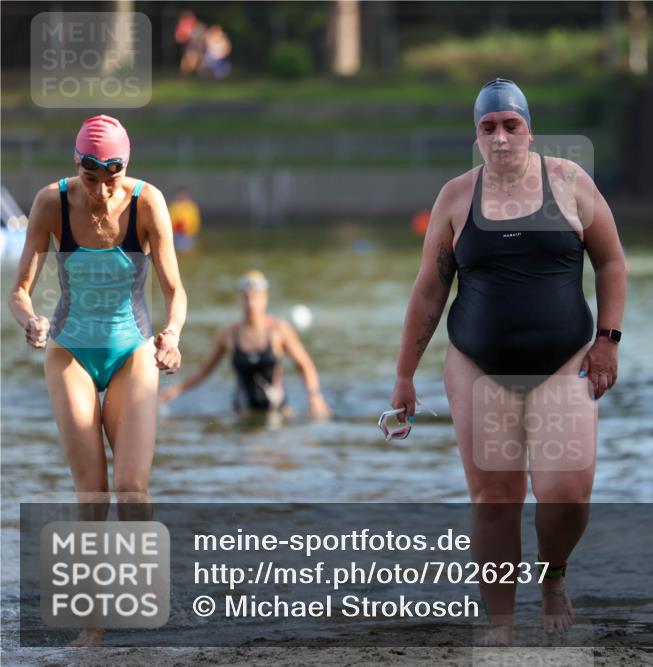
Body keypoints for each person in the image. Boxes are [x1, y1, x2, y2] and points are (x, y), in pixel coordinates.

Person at [389, 78, 627, 643]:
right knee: (496, 499)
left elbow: (612, 262)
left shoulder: (569, 183)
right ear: (477, 135)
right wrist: (404, 375)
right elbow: (429, 291)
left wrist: (609, 340)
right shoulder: (455, 198)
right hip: (476, 361)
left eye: (510, 125)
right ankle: (500, 623)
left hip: (564, 358)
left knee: (566, 494)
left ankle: (553, 576)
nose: (500, 137)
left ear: (529, 129)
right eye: (488, 128)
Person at [7, 115, 186, 646]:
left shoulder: (149, 203)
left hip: (133, 348)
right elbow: (19, 290)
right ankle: (92, 625)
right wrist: (30, 320)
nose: (104, 191)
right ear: (76, 165)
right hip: (69, 350)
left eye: (113, 178)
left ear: (126, 167)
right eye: (92, 179)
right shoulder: (50, 203)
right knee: (93, 494)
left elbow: (175, 289)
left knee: (132, 488)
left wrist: (172, 335)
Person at [160, 270, 332, 419]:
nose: (251, 303)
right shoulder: (228, 334)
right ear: (239, 300)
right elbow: (203, 373)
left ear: (265, 298)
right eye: (246, 297)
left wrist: (315, 397)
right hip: (242, 415)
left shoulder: (279, 330)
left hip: (279, 413)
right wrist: (171, 393)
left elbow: (305, 365)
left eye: (256, 297)